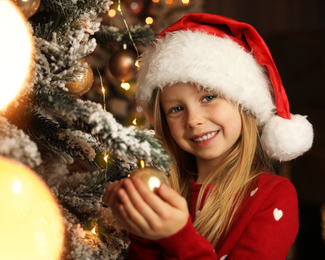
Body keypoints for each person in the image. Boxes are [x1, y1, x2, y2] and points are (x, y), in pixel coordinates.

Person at [103, 13, 314, 259]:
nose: (193, 120)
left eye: (208, 98)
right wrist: (141, 228)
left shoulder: (273, 196)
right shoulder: (166, 191)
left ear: (242, 104)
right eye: (176, 109)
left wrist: (178, 235)